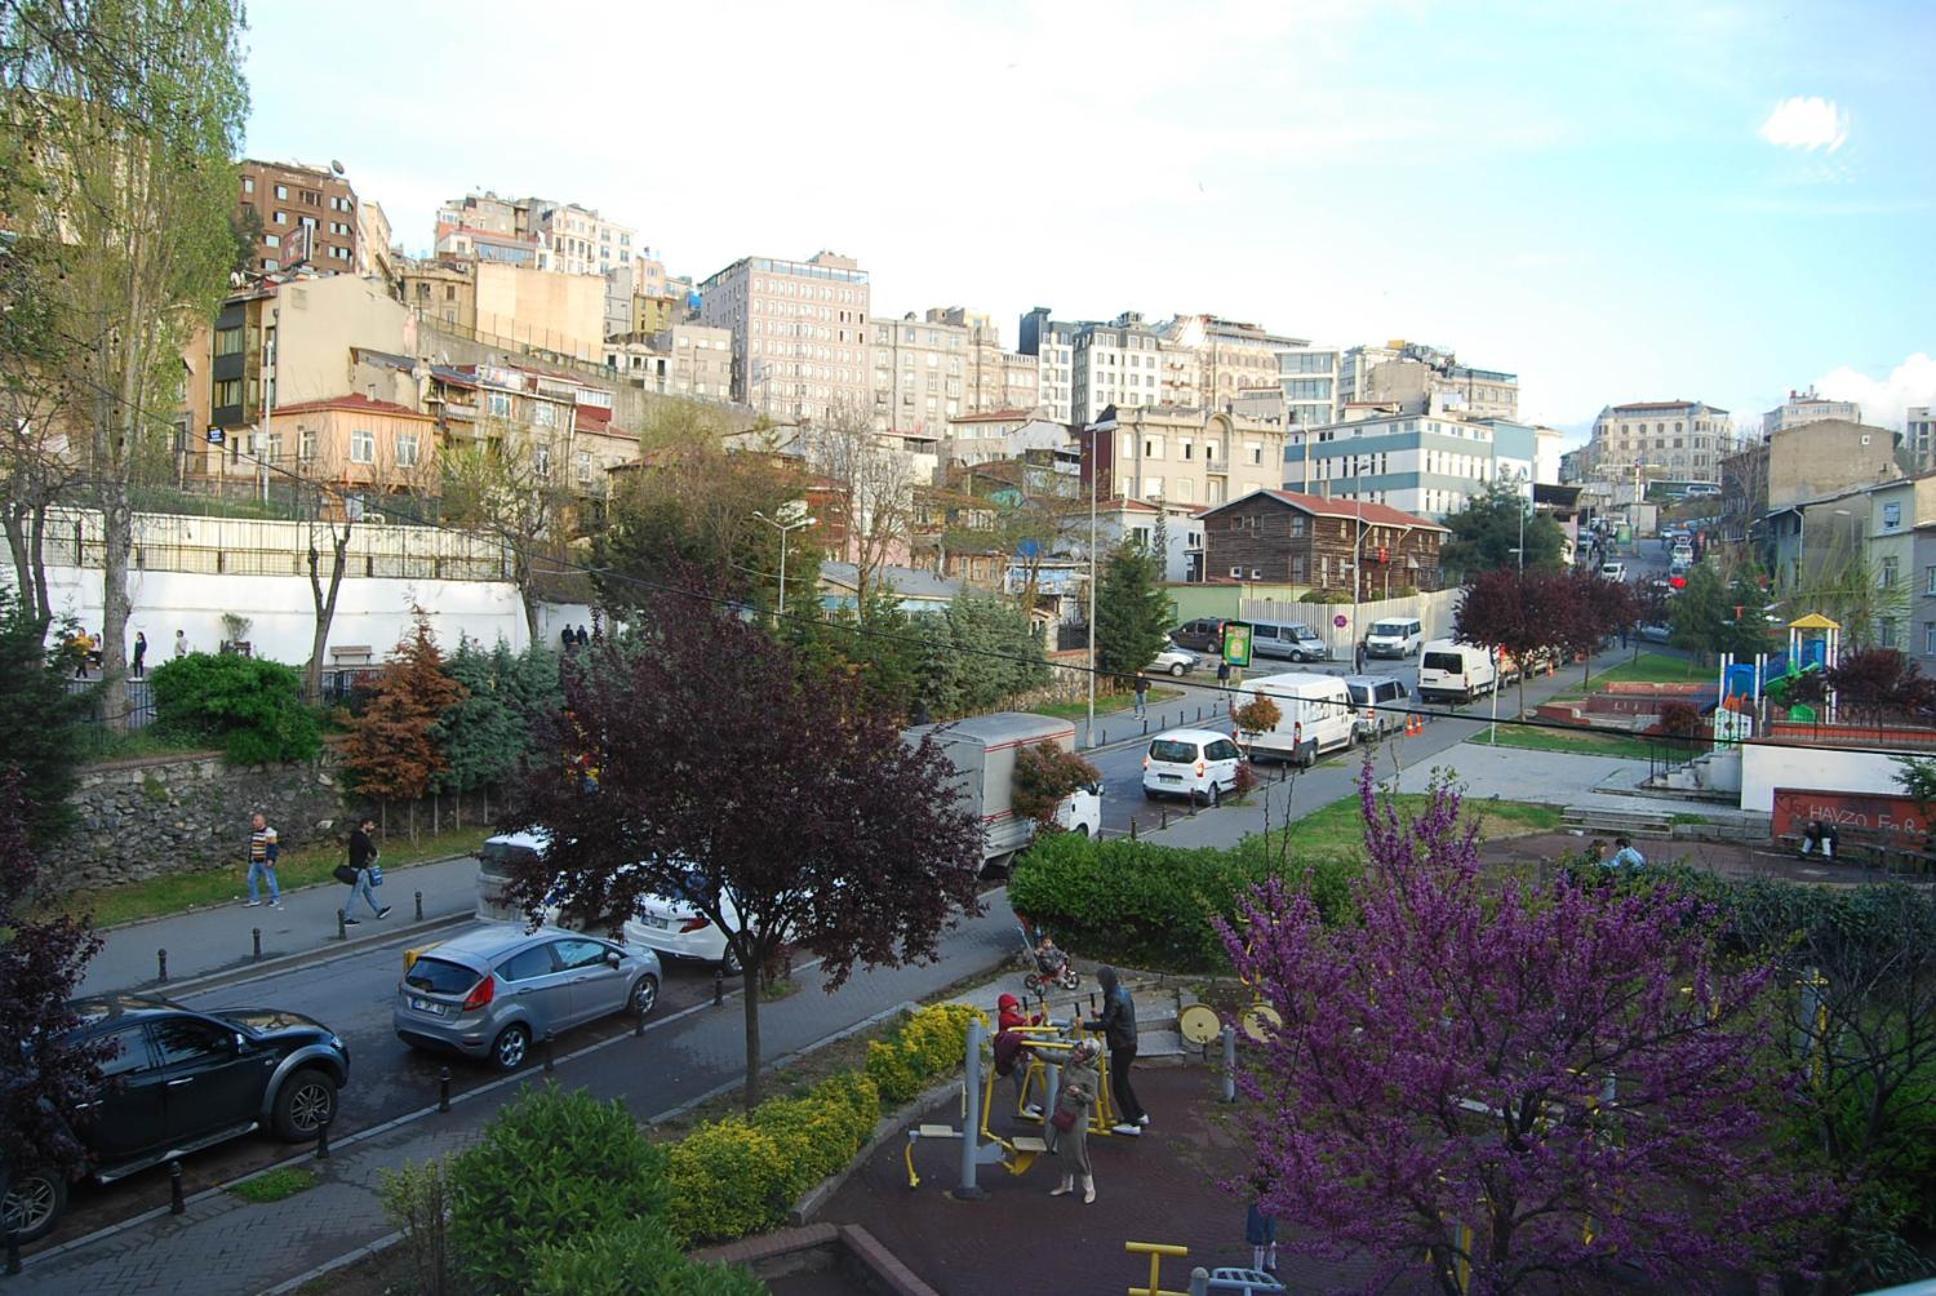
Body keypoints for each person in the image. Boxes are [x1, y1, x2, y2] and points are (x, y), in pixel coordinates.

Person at [1086, 965, 1146, 1134]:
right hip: (1130, 1041)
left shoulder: (1112, 996)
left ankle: (1132, 1122)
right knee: (1123, 1081)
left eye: (1100, 981)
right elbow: (1117, 1016)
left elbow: (1107, 1024)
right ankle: (1138, 1114)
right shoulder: (1122, 992)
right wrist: (1101, 1015)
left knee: (1118, 1085)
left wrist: (1084, 1024)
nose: (1099, 984)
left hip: (1121, 1044)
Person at [1047, 1038, 1100, 1203]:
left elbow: (1092, 1099)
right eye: (1077, 1049)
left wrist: (1078, 1093)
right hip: (1063, 1111)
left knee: (1078, 1152)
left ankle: (1089, 1188)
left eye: (1081, 1052)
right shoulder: (1068, 1061)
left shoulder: (1091, 1075)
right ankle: (1066, 1184)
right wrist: (1027, 1045)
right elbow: (1048, 1057)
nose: (1076, 1053)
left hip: (1077, 1116)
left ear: (1087, 1057)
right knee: (1063, 1149)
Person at [994, 992, 1045, 1116]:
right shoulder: (1004, 1017)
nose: (1015, 1008)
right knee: (1021, 1080)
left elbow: (1027, 1023)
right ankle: (1024, 1106)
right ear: (1005, 1008)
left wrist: (1039, 1017)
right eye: (1011, 1006)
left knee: (1028, 1079)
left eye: (1015, 1005)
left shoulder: (1014, 1017)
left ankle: (1028, 1103)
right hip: (1011, 1056)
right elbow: (1015, 1023)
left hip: (1018, 1053)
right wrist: (1026, 1023)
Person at [339, 816, 391, 924]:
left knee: (368, 891)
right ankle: (347, 918)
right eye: (371, 825)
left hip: (355, 867)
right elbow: (373, 852)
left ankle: (379, 910)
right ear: (365, 825)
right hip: (360, 871)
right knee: (356, 894)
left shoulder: (355, 836)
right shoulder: (363, 838)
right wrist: (374, 857)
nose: (372, 827)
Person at [245, 812, 283, 908]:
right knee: (251, 879)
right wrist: (250, 857)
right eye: (253, 820)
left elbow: (273, 847)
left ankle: (275, 898)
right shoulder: (255, 832)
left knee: (270, 880)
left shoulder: (269, 832)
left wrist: (271, 859)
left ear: (263, 821)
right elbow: (252, 846)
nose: (254, 822)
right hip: (255, 861)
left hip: (264, 861)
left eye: (256, 820)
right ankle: (254, 899)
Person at [1245, 1175, 1280, 1275]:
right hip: (1271, 1204)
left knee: (1258, 1237)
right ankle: (1270, 1262)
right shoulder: (1274, 1177)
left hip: (1258, 1205)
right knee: (1270, 1232)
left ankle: (1258, 1268)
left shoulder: (1257, 1176)